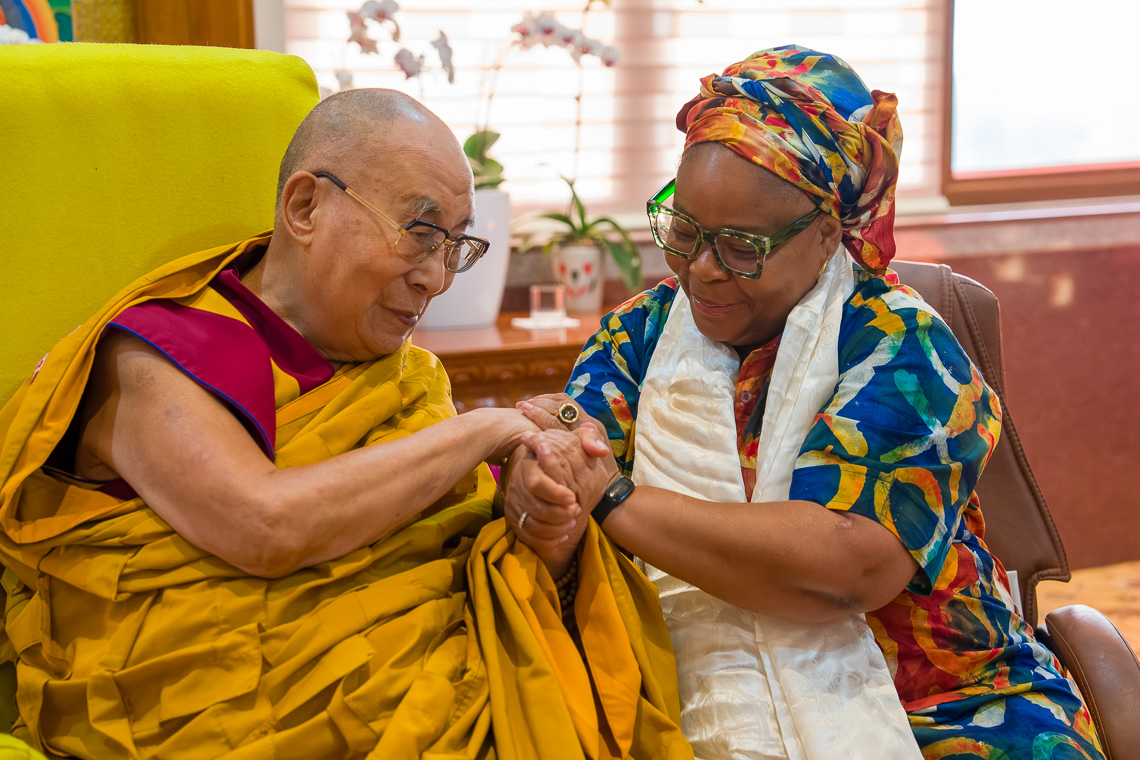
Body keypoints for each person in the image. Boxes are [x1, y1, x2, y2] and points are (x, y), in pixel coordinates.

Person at [0, 89, 690, 759]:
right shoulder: (155, 355)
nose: (436, 278)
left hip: (432, 705)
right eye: (421, 235)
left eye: (453, 247)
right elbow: (264, 528)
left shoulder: (405, 380)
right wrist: (484, 431)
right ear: (305, 207)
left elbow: (464, 565)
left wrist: (539, 510)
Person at [504, 46, 1104, 760]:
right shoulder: (638, 336)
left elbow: (849, 567)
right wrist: (542, 493)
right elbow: (569, 474)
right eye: (684, 230)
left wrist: (614, 498)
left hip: (943, 704)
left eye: (739, 246)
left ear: (826, 233)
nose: (700, 269)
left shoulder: (902, 346)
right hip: (687, 693)